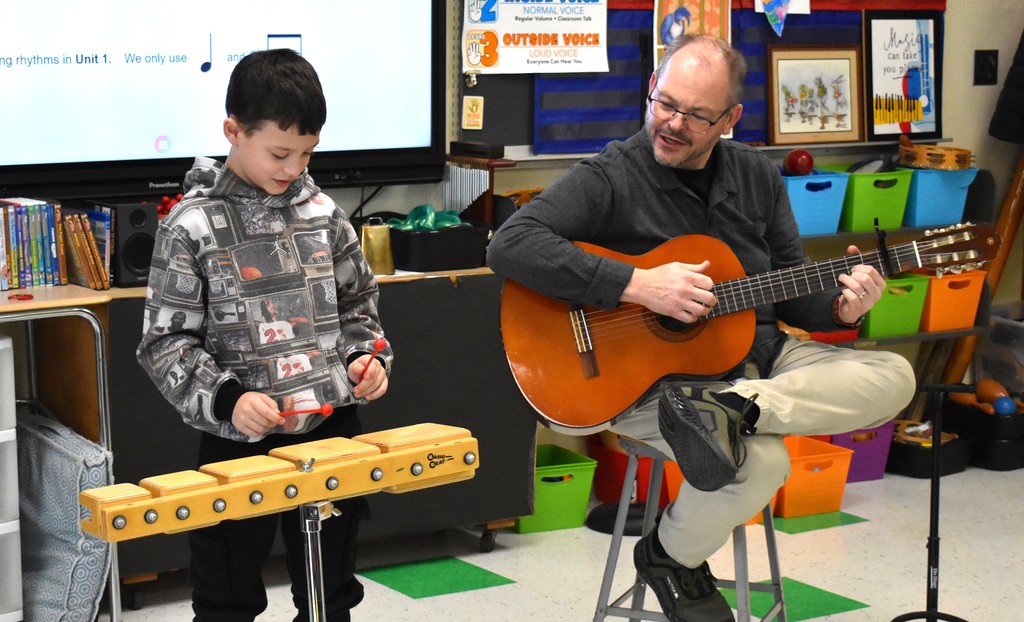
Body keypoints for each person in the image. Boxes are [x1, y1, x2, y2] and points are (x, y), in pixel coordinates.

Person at [487, 34, 916, 622]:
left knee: (894, 375)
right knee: (761, 466)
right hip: (653, 389)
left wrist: (843, 308)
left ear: (731, 119)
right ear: (649, 92)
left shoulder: (758, 178)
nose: (672, 123)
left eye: (695, 115)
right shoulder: (611, 175)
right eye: (665, 103)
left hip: (761, 362)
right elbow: (511, 244)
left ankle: (735, 407)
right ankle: (671, 558)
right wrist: (637, 286)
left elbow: (793, 285)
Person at [136, 48, 392, 622]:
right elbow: (165, 343)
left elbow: (359, 307)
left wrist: (362, 361)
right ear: (233, 130)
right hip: (236, 439)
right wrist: (227, 399)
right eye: (280, 152)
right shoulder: (191, 226)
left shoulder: (325, 215)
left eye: (306, 153)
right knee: (226, 595)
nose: (293, 167)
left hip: (328, 429)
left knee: (330, 594)